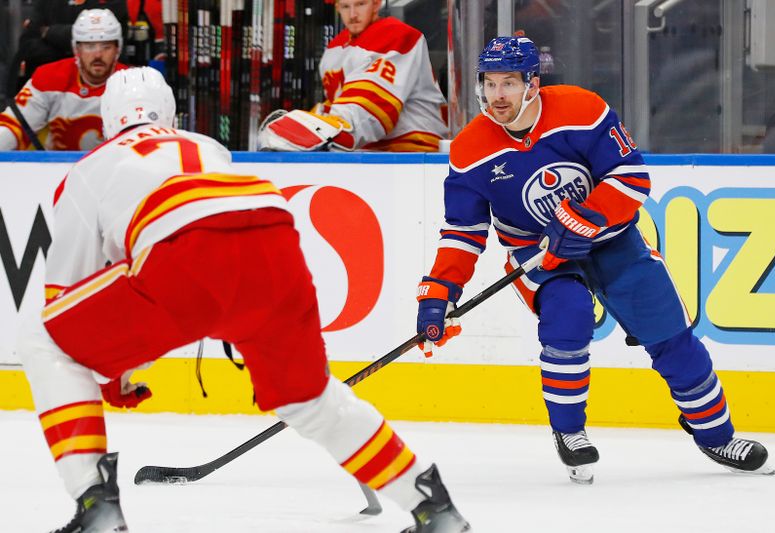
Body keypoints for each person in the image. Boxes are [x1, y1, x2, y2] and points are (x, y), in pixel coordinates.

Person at [17, 66, 470, 533]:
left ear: (107, 119)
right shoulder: (205, 146)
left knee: (42, 337)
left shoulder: (90, 168)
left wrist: (113, 371)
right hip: (271, 235)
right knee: (310, 399)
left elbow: (69, 299)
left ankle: (96, 505)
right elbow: (220, 234)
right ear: (171, 114)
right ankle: (432, 506)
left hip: (186, 253)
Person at [414, 36, 774, 485]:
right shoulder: (471, 150)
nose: (497, 95)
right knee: (569, 314)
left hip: (613, 239)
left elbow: (631, 176)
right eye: (489, 84)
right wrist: (438, 293)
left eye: (508, 82)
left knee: (670, 335)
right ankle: (570, 433)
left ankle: (716, 435)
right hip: (537, 251)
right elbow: (462, 232)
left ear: (533, 84)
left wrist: (583, 218)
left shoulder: (581, 110)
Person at [257, 0, 448, 153]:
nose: (353, 15)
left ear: (376, 4)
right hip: (368, 153)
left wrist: (322, 131)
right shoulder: (334, 49)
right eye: (346, 6)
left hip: (417, 151)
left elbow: (366, 111)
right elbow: (338, 107)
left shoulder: (398, 35)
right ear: (337, 7)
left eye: (360, 4)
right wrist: (313, 121)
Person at [0, 9, 127, 151]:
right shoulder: (48, 77)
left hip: (115, 168)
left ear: (117, 49)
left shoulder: (133, 83)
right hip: (57, 169)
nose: (98, 54)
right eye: (89, 46)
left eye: (106, 47)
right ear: (76, 49)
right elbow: (14, 125)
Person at [8, 0, 128, 93]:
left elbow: (109, 40)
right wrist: (72, 47)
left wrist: (48, 33)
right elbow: (28, 46)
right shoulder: (45, 2)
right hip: (49, 88)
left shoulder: (112, 2)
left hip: (100, 87)